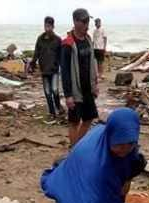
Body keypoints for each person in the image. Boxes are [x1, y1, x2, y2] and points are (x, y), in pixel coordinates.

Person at [61, 8, 99, 145]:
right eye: (83, 21)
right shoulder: (68, 44)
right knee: (74, 122)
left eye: (88, 21)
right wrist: (68, 95)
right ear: (75, 22)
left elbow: (93, 62)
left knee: (89, 118)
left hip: (88, 88)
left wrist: (95, 84)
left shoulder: (88, 40)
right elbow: (64, 71)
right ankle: (73, 150)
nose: (86, 24)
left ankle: (78, 146)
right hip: (75, 90)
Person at [29, 16, 63, 119]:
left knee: (55, 90)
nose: (47, 28)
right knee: (47, 92)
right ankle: (52, 113)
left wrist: (62, 67)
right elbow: (36, 53)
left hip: (54, 70)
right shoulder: (40, 39)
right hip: (44, 70)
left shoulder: (58, 40)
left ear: (53, 26)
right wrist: (32, 65)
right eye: (45, 26)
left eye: (49, 26)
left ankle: (58, 107)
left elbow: (61, 56)